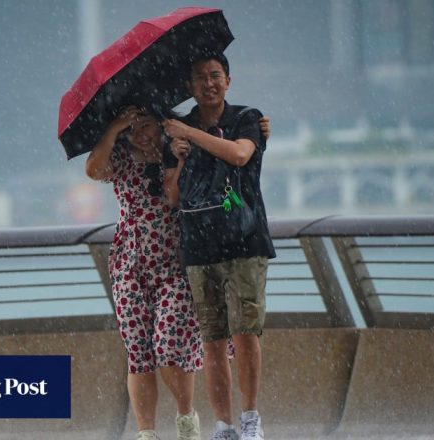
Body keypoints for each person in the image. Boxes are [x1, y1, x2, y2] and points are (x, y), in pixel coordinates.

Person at [86, 103, 271, 440]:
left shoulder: (180, 149)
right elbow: (94, 170)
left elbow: (190, 186)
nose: (141, 134)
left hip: (177, 261)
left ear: (163, 123)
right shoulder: (123, 157)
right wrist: (114, 129)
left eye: (147, 125)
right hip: (129, 263)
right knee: (138, 351)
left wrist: (180, 157)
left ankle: (186, 416)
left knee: (169, 345)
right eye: (134, 128)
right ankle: (147, 433)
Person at [162, 53, 275, 440]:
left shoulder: (247, 118)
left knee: (246, 332)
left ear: (228, 79)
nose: (208, 84)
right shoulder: (175, 132)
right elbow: (173, 198)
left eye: (215, 76)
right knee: (212, 341)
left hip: (245, 241)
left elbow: (241, 155)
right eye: (199, 78)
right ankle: (224, 426)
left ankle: (250, 418)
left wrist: (191, 135)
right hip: (198, 246)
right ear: (189, 87)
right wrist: (176, 160)